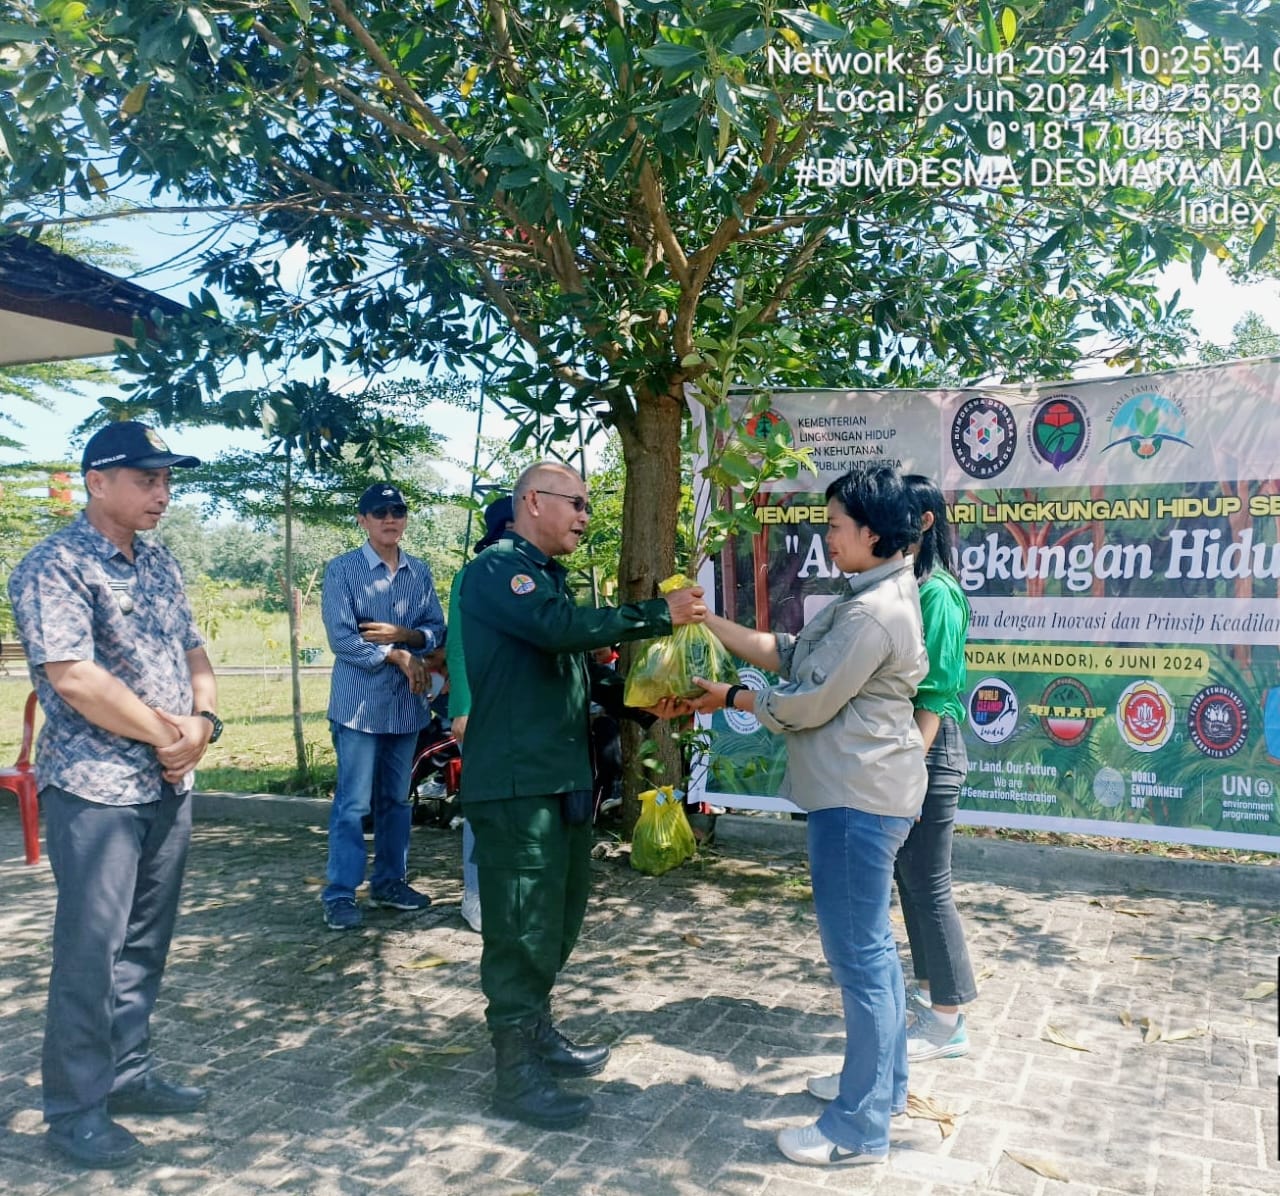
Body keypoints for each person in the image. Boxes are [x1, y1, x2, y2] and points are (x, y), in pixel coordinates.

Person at [686, 463, 928, 1168]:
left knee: (861, 960)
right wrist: (710, 622)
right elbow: (791, 657)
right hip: (861, 794)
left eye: (835, 525)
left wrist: (731, 699)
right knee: (873, 955)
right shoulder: (868, 596)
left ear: (874, 533)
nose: (828, 537)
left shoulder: (874, 613)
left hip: (858, 800)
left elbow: (805, 704)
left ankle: (858, 1129)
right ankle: (883, 1092)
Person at [454, 461, 705, 1130]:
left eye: (588, 506)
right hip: (516, 785)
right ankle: (515, 1074)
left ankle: (537, 1033)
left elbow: (578, 672)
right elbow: (558, 630)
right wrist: (658, 615)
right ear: (534, 502)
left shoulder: (546, 581)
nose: (585, 517)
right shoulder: (497, 571)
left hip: (559, 779)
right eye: (577, 504)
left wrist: (645, 703)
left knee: (558, 919)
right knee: (520, 927)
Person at [7, 421, 218, 1170]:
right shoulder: (54, 564)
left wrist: (204, 723)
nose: (163, 493)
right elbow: (73, 677)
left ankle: (128, 1074)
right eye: (146, 479)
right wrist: (168, 736)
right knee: (90, 952)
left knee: (145, 943)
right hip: (96, 789)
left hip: (167, 783)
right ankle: (75, 1111)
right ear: (97, 482)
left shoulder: (159, 562)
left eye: (167, 480)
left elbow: (193, 649)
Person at [320, 482, 446, 931]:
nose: (390, 519)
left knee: (396, 798)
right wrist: (396, 655)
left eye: (397, 511)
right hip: (358, 706)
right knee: (354, 803)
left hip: (405, 706)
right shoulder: (343, 570)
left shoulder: (420, 572)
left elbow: (436, 630)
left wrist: (405, 637)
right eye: (379, 512)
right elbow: (342, 639)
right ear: (363, 520)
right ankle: (339, 893)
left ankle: (390, 882)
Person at [446, 494, 515, 933]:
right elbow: (458, 646)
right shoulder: (474, 574)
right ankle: (475, 894)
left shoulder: (534, 572)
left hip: (520, 709)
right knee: (485, 803)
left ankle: (507, 893)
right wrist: (463, 708)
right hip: (482, 708)